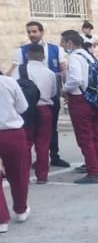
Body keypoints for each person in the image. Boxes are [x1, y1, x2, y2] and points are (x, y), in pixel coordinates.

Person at [8, 21, 70, 169]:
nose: (31, 34)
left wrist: (65, 90)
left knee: (52, 129)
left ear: (41, 32)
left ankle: (54, 156)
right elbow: (14, 71)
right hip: (29, 97)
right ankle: (34, 162)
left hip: (50, 93)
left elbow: (64, 70)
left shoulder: (56, 49)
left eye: (34, 31)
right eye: (29, 31)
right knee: (31, 131)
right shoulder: (22, 51)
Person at [61, 30, 98, 184]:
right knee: (94, 134)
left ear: (70, 43)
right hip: (96, 99)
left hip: (81, 100)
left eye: (63, 43)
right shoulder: (89, 55)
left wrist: (64, 89)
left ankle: (93, 171)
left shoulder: (74, 57)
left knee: (85, 137)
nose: (62, 46)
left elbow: (75, 79)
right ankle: (97, 163)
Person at [14, 44, 57, 184]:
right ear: (43, 56)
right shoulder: (49, 73)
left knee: (25, 144)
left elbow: (15, 89)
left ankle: (23, 175)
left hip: (27, 110)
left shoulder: (20, 70)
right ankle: (42, 176)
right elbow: (53, 93)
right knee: (43, 144)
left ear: (28, 55)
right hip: (45, 109)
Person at [0, 70, 31, 234]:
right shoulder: (9, 82)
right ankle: (20, 209)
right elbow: (23, 106)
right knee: (18, 173)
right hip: (12, 132)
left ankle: (1, 219)